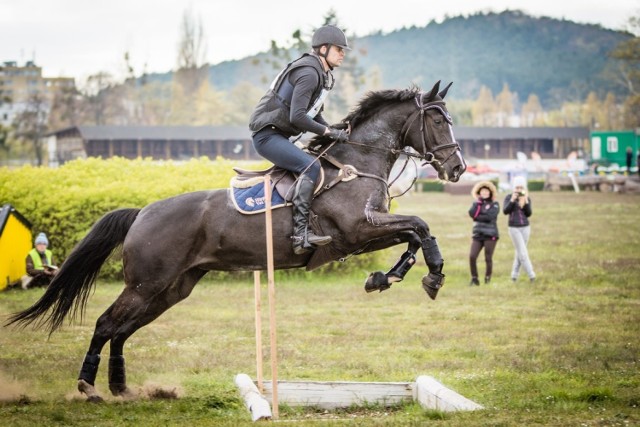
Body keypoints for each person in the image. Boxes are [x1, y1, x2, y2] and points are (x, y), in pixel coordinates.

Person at [249, 25, 351, 255]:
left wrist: (335, 129)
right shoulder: (309, 72)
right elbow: (298, 116)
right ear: (323, 49)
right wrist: (327, 132)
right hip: (267, 136)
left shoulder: (323, 74)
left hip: (280, 135)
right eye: (339, 49)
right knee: (310, 167)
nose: (343, 53)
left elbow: (314, 114)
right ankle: (300, 235)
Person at [503, 176, 535, 283]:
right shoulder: (508, 197)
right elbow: (505, 211)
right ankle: (532, 275)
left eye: (521, 187)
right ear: (513, 188)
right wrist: (512, 200)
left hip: (526, 228)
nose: (518, 190)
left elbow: (529, 213)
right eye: (517, 187)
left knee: (520, 252)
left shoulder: (526, 198)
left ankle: (514, 276)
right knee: (522, 253)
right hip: (514, 228)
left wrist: (525, 202)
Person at [468, 181, 500, 286]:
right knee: (472, 256)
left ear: (490, 192)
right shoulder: (476, 203)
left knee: (488, 258)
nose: (484, 193)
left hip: (491, 235)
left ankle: (487, 278)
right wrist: (478, 205)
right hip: (478, 234)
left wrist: (478, 217)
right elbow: (471, 213)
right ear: (479, 192)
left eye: (486, 191)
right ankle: (474, 278)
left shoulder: (495, 204)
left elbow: (489, 217)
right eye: (482, 191)